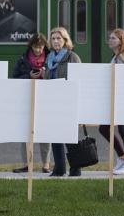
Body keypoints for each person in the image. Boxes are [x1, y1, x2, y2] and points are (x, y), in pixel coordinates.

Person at [11, 33, 51, 174]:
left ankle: (46, 164)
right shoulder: (23, 59)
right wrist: (28, 76)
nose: (38, 50)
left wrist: (45, 75)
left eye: (40, 47)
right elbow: (13, 78)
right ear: (31, 46)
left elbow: (57, 77)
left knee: (45, 132)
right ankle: (27, 164)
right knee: (25, 132)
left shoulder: (51, 58)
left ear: (44, 46)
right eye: (35, 47)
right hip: (26, 98)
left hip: (46, 98)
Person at [45, 26, 82, 177]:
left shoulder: (72, 57)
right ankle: (59, 168)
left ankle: (76, 168)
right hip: (52, 101)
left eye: (59, 38)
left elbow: (79, 78)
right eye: (53, 38)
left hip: (68, 101)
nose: (55, 41)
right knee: (55, 135)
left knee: (70, 136)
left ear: (65, 41)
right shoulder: (50, 58)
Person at [97, 29, 124, 175]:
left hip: (122, 98)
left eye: (113, 38)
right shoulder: (116, 56)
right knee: (105, 128)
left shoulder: (123, 57)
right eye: (110, 38)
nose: (110, 40)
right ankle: (122, 157)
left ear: (121, 40)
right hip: (114, 98)